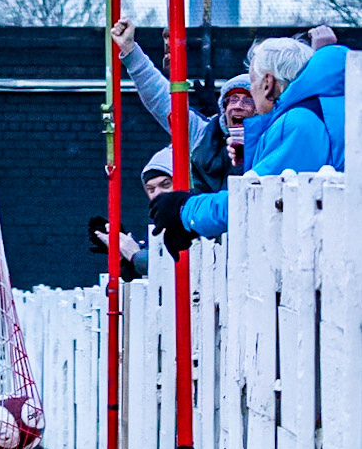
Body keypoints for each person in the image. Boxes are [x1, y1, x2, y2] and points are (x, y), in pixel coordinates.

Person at [152, 38, 349, 252]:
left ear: (267, 83)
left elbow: (254, 199)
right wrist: (255, 154)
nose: (252, 93)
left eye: (252, 82)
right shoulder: (329, 108)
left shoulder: (296, 122)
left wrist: (184, 209)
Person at [110, 17, 253, 194]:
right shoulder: (204, 135)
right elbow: (159, 98)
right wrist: (130, 50)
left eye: (248, 100)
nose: (238, 106)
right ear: (223, 109)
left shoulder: (270, 140)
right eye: (232, 100)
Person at [90, 146, 175, 281]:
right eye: (151, 189)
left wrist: (135, 254)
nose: (158, 194)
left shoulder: (193, 223)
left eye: (166, 184)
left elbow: (172, 270)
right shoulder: (155, 231)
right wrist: (124, 258)